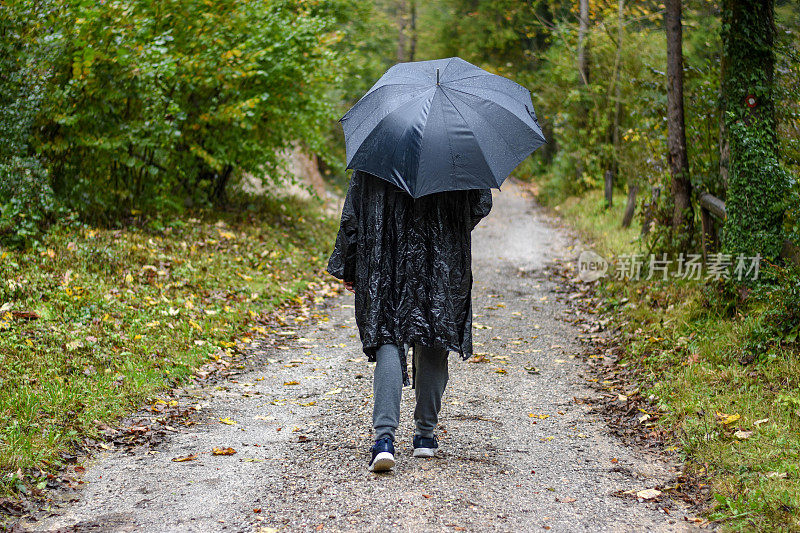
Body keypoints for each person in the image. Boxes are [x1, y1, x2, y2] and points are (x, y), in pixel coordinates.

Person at [327, 169, 492, 472]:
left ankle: (384, 441)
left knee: (388, 334)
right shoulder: (457, 155)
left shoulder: (377, 153)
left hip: (385, 257)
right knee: (434, 333)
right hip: (440, 255)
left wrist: (350, 266)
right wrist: (446, 221)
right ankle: (425, 437)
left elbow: (354, 215)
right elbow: (478, 205)